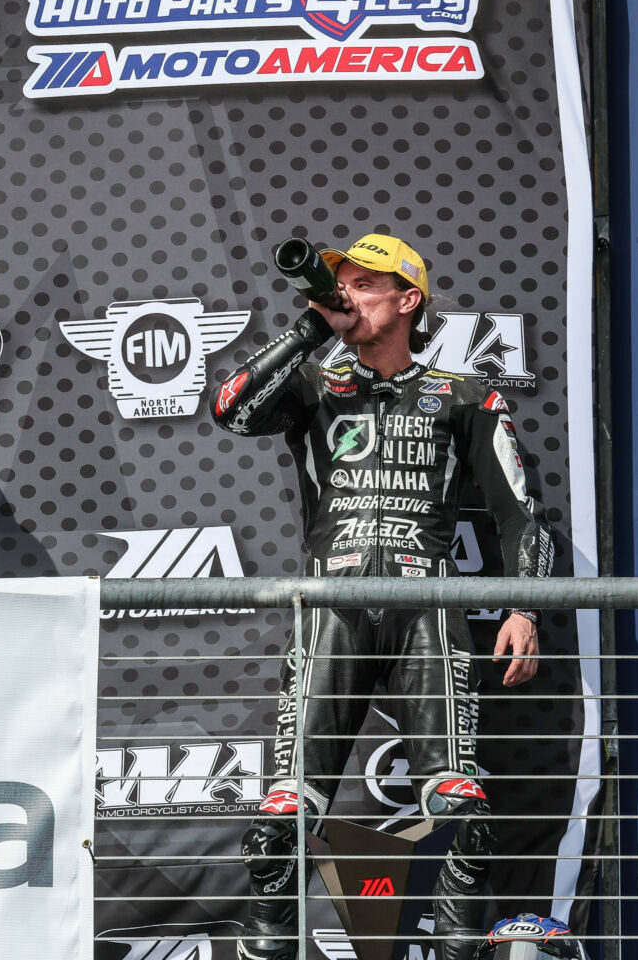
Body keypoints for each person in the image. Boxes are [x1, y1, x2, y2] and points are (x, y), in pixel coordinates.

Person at [209, 233, 556, 960]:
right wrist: (311, 328)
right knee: (281, 814)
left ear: (408, 299)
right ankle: (269, 945)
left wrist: (525, 607)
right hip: (330, 605)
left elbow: (519, 511)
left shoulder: (465, 393)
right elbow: (232, 410)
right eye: (342, 284)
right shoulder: (314, 387)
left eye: (365, 285)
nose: (348, 294)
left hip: (425, 608)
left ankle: (461, 948)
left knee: (459, 804)